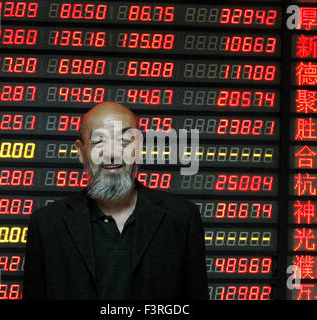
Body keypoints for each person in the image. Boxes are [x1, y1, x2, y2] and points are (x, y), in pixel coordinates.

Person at [22, 101, 209, 300]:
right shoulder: (47, 225)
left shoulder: (181, 218)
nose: (112, 153)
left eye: (125, 141)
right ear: (80, 151)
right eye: (99, 141)